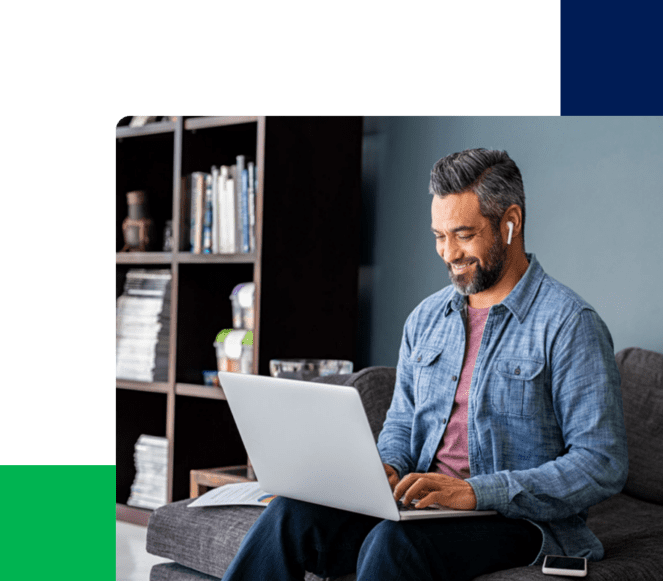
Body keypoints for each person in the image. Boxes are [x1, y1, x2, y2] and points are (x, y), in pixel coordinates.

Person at [221, 148, 628, 580]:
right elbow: (400, 423)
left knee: (393, 544)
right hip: (423, 509)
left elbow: (601, 462)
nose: (448, 253)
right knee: (290, 514)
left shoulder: (568, 324)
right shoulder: (426, 319)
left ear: (511, 222)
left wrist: (475, 492)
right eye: (439, 235)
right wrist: (386, 468)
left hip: (518, 522)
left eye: (464, 234)